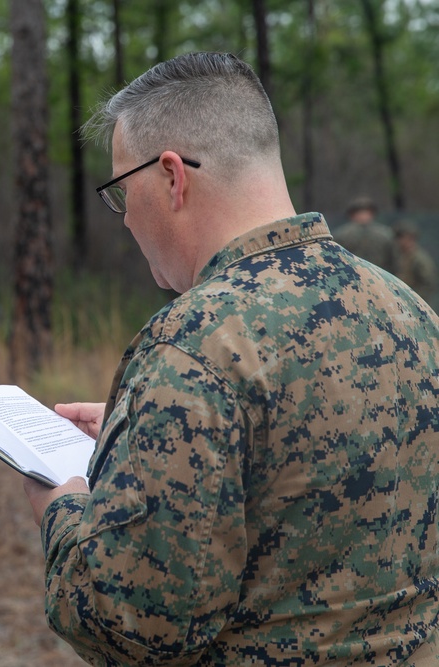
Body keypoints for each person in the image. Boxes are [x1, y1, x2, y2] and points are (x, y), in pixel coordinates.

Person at [24, 52, 439, 665]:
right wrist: (142, 432)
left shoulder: (193, 345)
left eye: (121, 191)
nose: (125, 220)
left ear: (171, 177)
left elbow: (135, 626)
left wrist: (62, 511)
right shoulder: (412, 312)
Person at [332, 195, 397, 272]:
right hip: (356, 276)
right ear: (352, 215)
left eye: (366, 213)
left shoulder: (386, 234)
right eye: (360, 213)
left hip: (378, 276)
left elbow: (394, 261)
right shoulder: (341, 235)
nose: (363, 216)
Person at [393, 218, 437, 307]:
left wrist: (413, 297)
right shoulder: (399, 255)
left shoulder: (420, 258)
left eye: (403, 238)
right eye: (399, 238)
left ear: (412, 238)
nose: (400, 241)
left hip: (417, 304)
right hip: (402, 301)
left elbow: (428, 283)